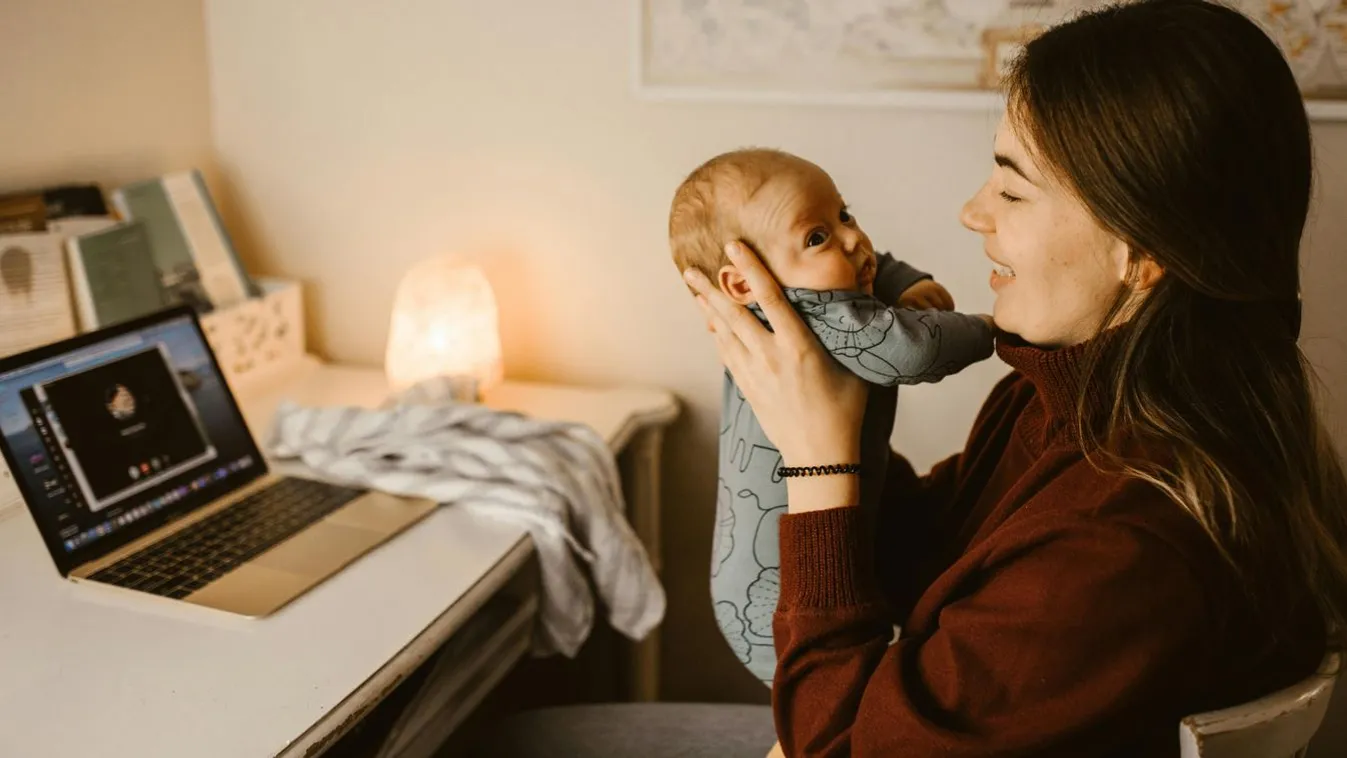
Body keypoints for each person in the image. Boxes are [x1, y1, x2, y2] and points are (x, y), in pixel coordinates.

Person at [473, 2, 1347, 756]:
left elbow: (838, 744)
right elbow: (924, 559)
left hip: (849, 728)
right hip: (874, 719)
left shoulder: (1128, 539)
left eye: (1011, 191)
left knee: (491, 742)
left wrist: (818, 460)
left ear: (1140, 251)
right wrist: (807, 413)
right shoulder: (1083, 399)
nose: (971, 214)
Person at [668, 148, 993, 683]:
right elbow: (909, 351)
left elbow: (875, 262)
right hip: (780, 602)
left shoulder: (808, 290)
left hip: (771, 573)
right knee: (829, 701)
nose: (850, 237)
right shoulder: (816, 313)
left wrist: (905, 283)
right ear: (745, 284)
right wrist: (993, 329)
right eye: (816, 237)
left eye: (844, 214)